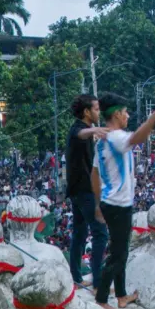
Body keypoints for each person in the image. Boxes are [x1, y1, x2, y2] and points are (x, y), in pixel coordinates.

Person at [90, 92, 155, 309]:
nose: (127, 116)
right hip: (118, 205)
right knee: (118, 255)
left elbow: (94, 174)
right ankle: (102, 300)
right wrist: (154, 116)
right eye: (125, 112)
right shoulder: (115, 137)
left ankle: (121, 295)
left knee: (120, 250)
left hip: (110, 202)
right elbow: (136, 138)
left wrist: (98, 203)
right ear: (116, 114)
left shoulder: (102, 141)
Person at [65, 94, 110, 290]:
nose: (99, 112)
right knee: (100, 233)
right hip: (84, 191)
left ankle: (76, 276)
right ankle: (98, 281)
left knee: (80, 232)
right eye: (96, 109)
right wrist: (95, 130)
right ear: (86, 112)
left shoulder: (85, 131)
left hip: (79, 190)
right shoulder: (78, 129)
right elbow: (80, 134)